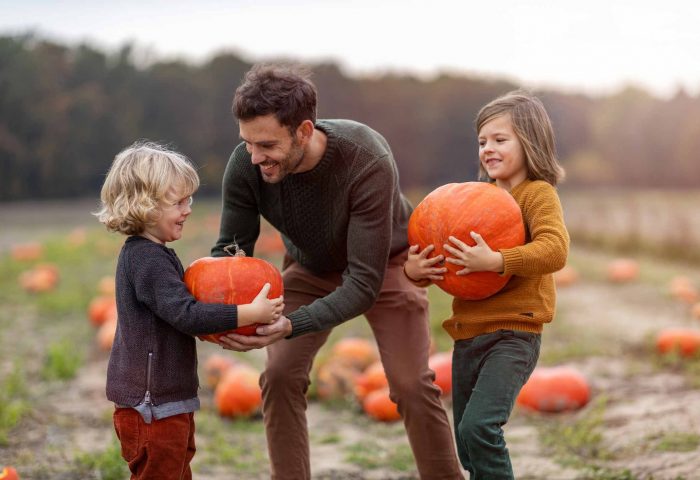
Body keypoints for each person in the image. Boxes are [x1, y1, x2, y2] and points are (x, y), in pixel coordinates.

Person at [212, 64, 463, 480]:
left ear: (304, 131)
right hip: (309, 267)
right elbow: (230, 253)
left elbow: (363, 283)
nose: (255, 157)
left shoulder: (365, 159)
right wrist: (223, 314)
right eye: (247, 143)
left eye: (267, 145)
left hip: (386, 265)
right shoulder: (246, 165)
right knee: (278, 375)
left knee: (411, 385)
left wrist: (292, 323)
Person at [404, 90, 569, 479]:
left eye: (500, 140)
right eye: (482, 142)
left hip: (514, 332)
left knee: (480, 427)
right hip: (469, 335)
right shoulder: (473, 202)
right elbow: (440, 259)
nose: (488, 149)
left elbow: (555, 249)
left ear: (529, 142)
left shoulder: (537, 195)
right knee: (466, 440)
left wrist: (497, 261)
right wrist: (415, 270)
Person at [94, 141, 284, 480]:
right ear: (145, 205)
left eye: (189, 199)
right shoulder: (146, 260)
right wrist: (246, 314)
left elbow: (179, 317)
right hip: (152, 408)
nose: (188, 209)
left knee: (177, 471)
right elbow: (186, 314)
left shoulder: (155, 254)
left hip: (166, 402)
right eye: (178, 202)